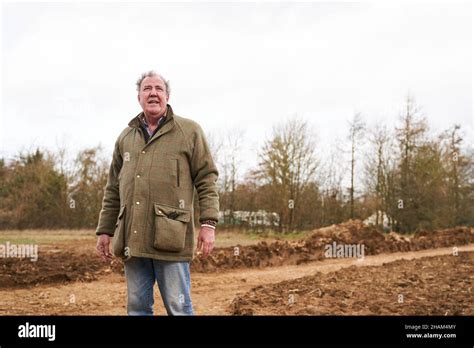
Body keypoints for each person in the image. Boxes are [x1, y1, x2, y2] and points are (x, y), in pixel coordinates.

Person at [95, 71, 219, 315]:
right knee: (137, 308)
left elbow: (207, 178)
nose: (153, 92)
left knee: (178, 307)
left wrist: (208, 224)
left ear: (167, 96)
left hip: (171, 238)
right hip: (133, 238)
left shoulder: (189, 131)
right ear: (139, 97)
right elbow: (113, 188)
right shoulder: (125, 137)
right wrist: (105, 230)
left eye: (159, 89)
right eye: (147, 88)